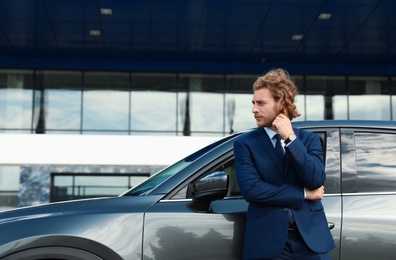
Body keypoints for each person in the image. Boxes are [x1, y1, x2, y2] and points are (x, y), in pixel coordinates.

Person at [234, 68, 335, 259]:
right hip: (267, 243)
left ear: (281, 103)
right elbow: (252, 190)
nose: (254, 109)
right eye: (253, 103)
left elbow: (315, 179)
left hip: (310, 242)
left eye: (261, 103)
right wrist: (304, 194)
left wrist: (290, 139)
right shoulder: (245, 144)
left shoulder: (308, 140)